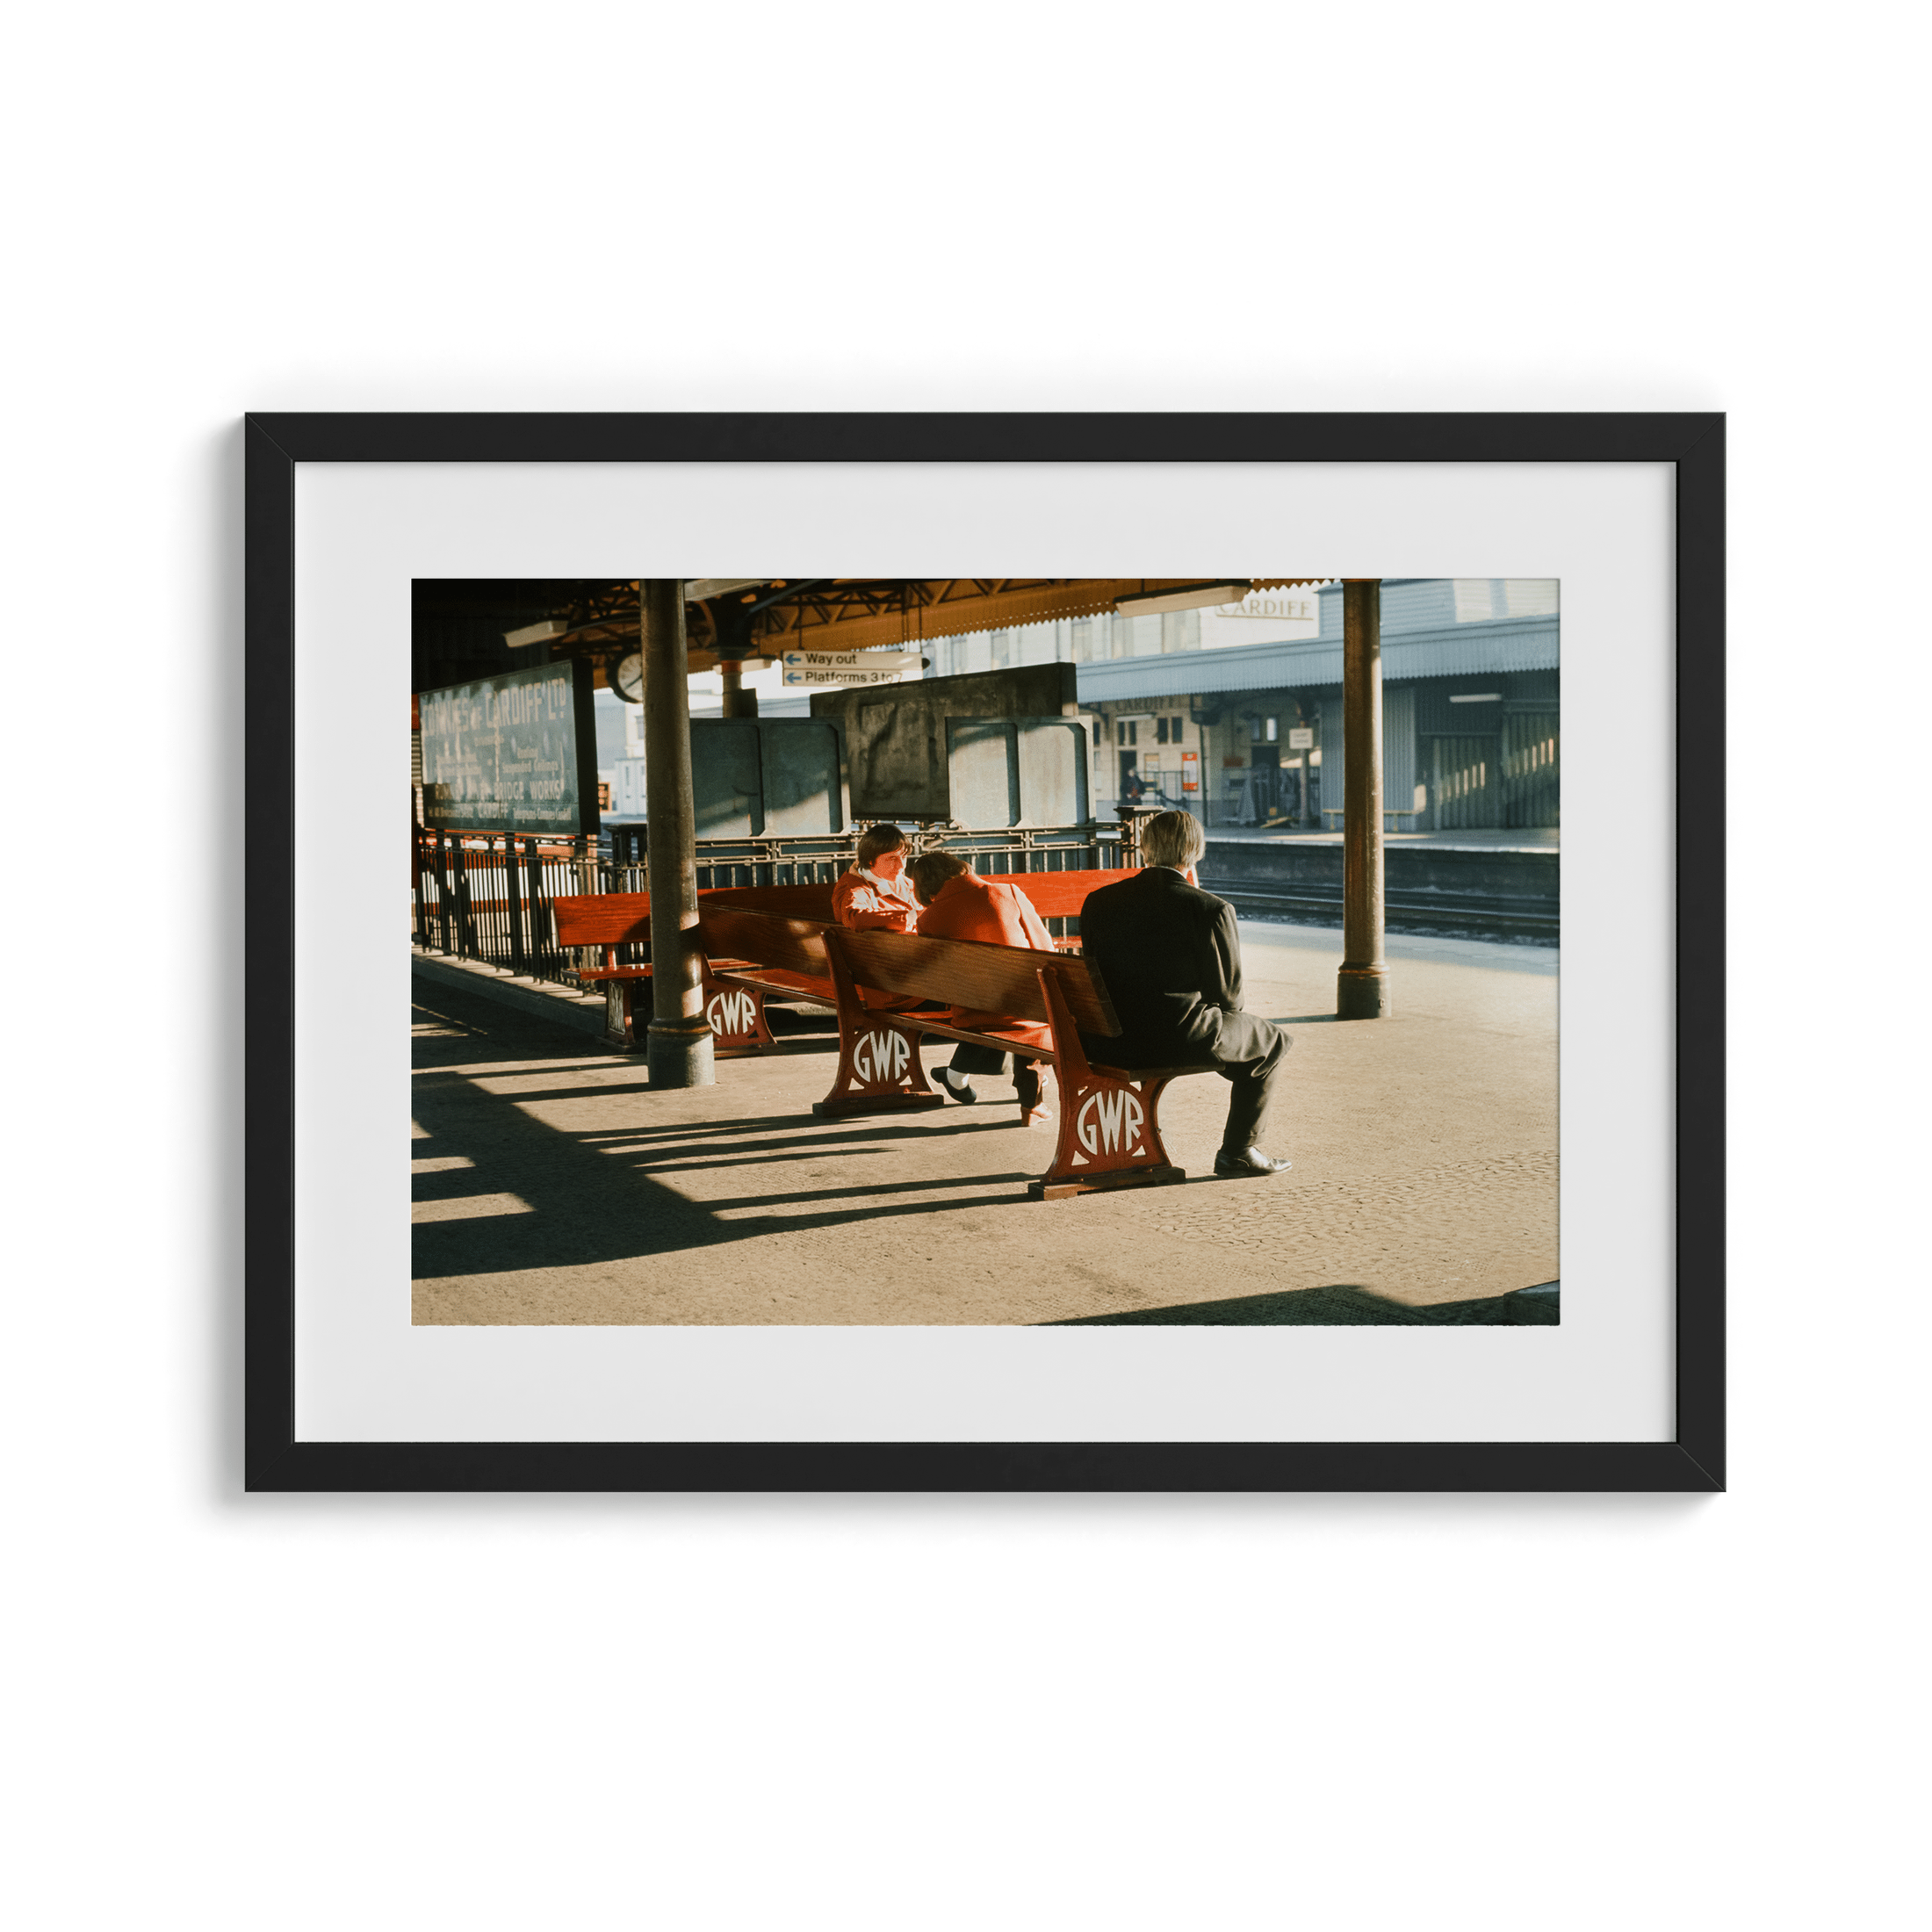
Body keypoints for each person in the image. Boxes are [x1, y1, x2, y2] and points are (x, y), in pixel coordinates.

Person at [1076, 810, 1291, 1178]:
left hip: (1106, 1039)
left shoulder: (1099, 901)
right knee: (1271, 1041)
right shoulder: (1210, 908)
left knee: (1244, 1040)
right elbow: (1230, 1001)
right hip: (1177, 1039)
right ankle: (1239, 1151)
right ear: (1195, 850)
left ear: (1145, 848)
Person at [905, 850, 1055, 1123]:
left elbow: (937, 976)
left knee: (1008, 1012)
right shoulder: (1007, 892)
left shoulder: (927, 919)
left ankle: (956, 1076)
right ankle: (1031, 1103)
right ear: (959, 868)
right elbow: (1044, 946)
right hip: (1026, 1007)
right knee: (1036, 1015)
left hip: (974, 1013)